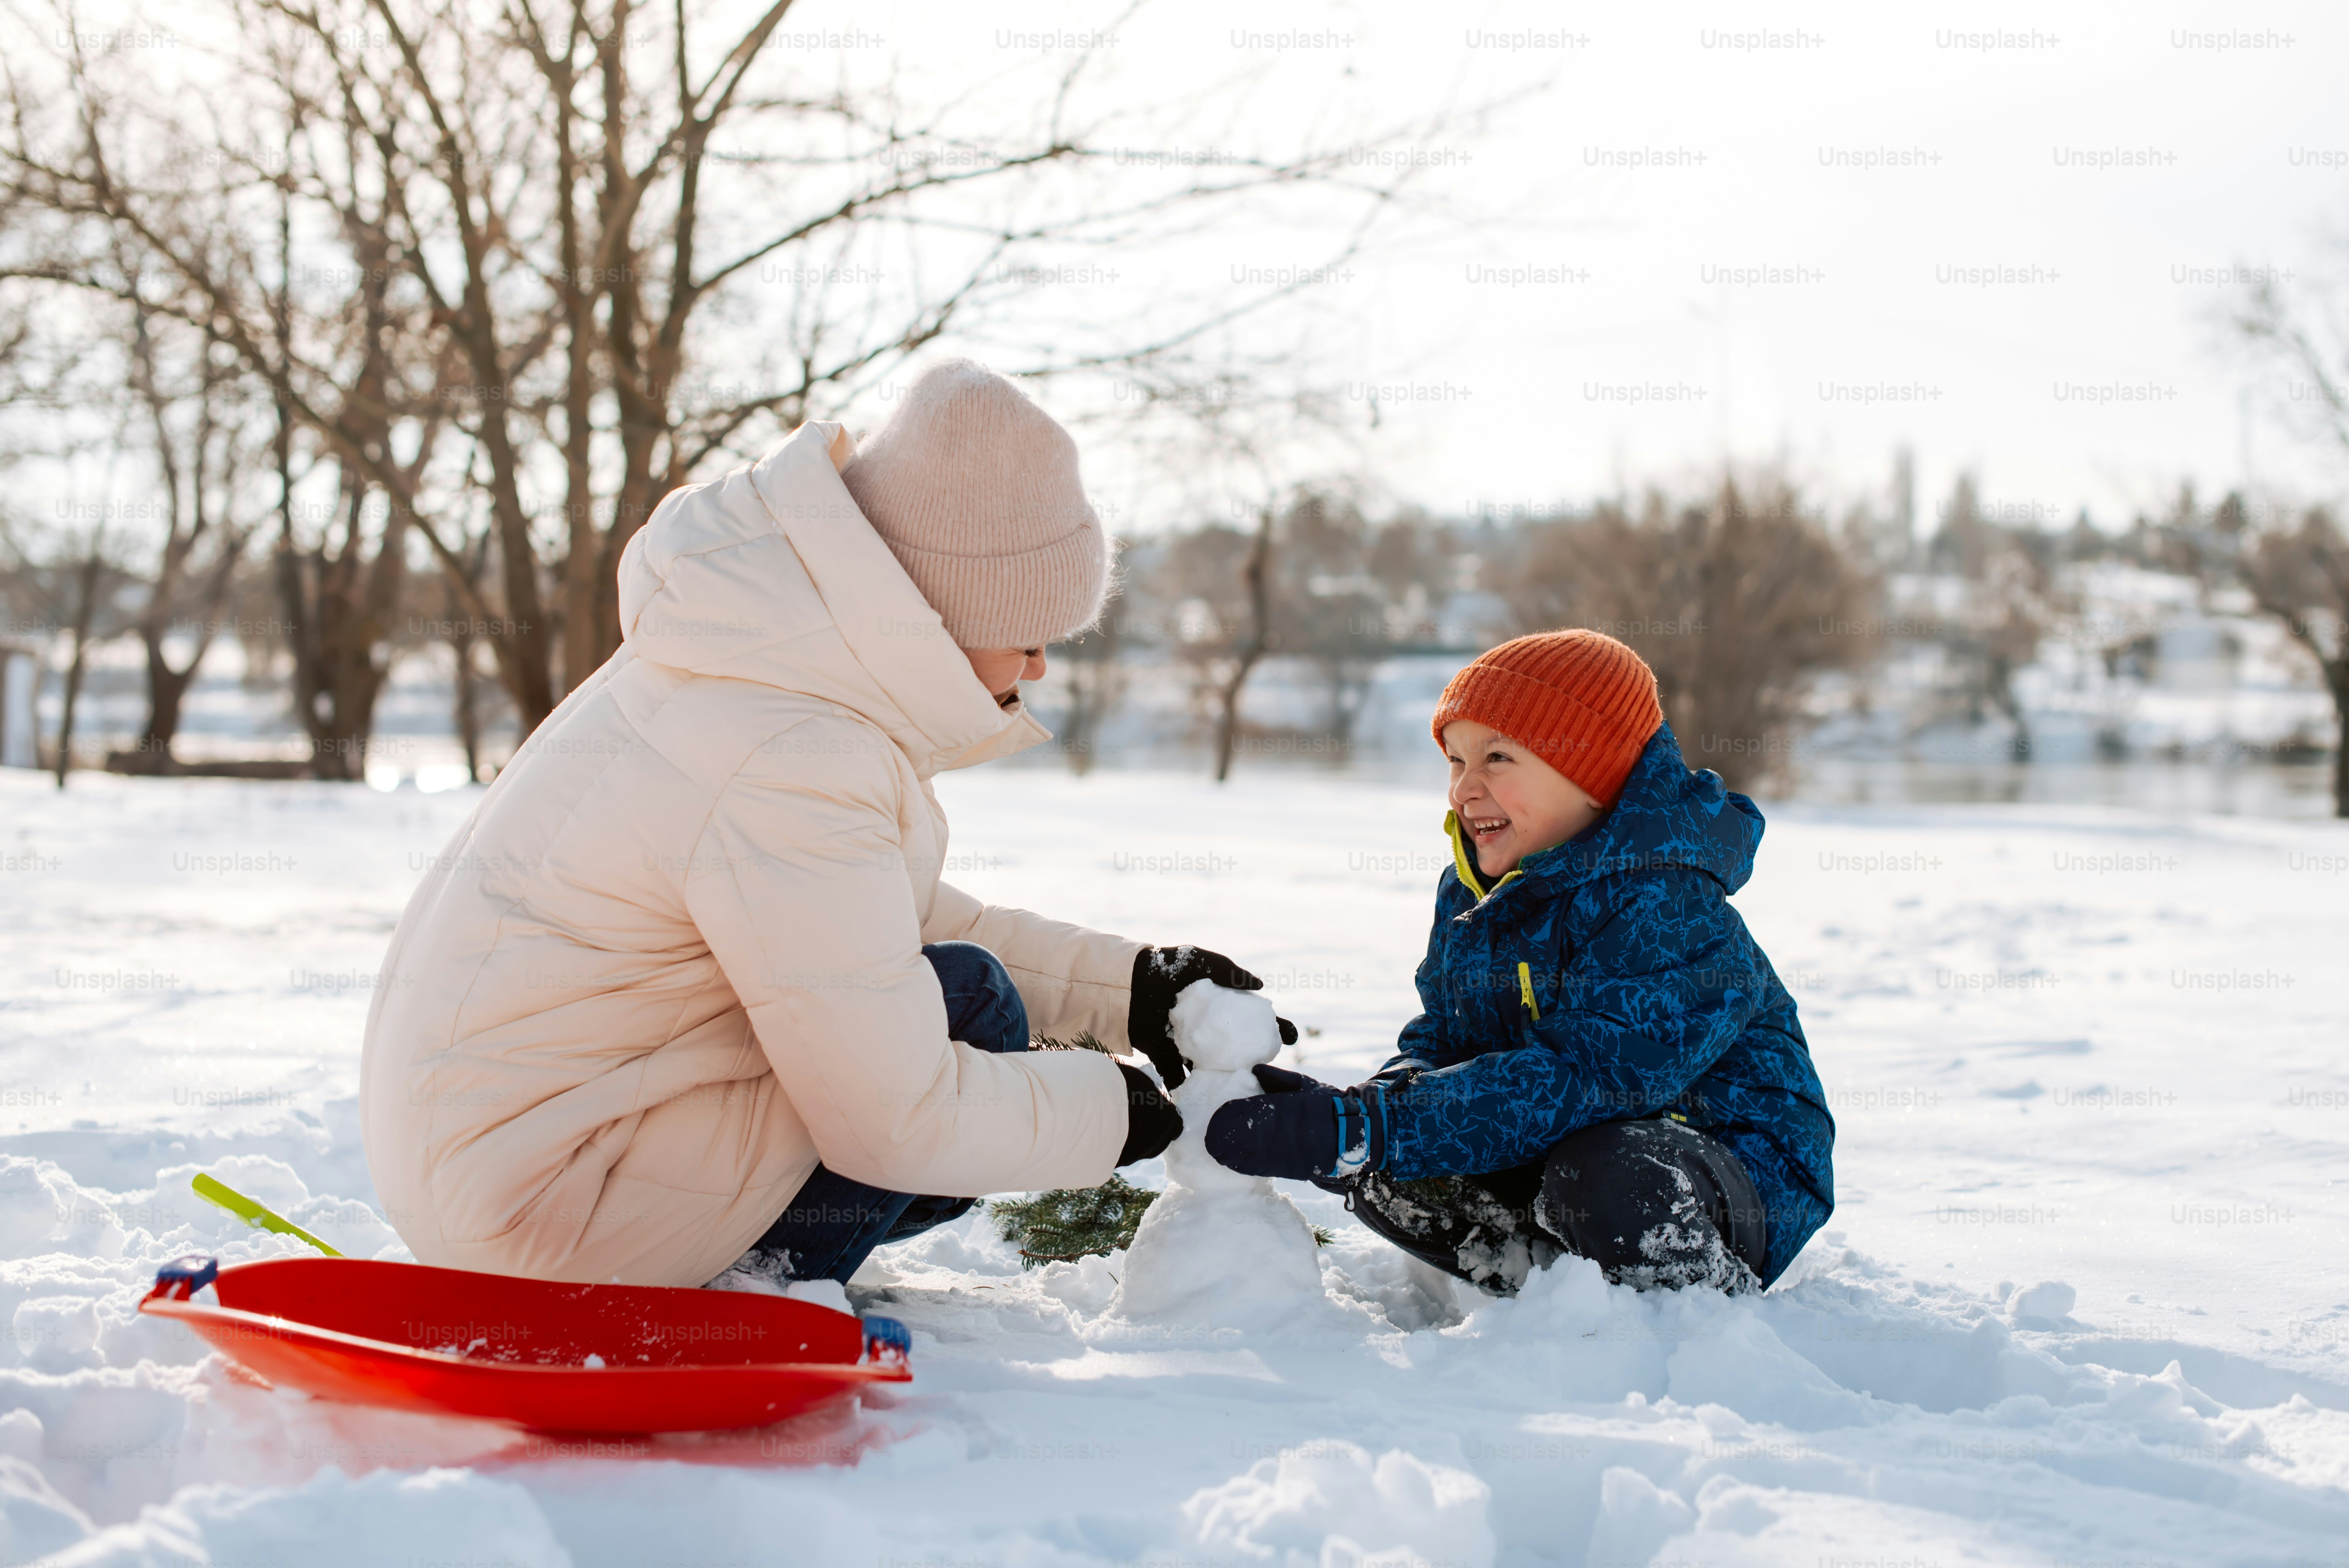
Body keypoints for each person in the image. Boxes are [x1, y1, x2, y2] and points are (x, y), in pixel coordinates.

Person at [360, 360, 1280, 1289]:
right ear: (944, 608)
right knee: (971, 1007)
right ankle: (752, 1278)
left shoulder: (751, 658)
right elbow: (897, 1116)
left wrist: (1129, 991)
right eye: (1030, 634)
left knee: (935, 998)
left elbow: (872, 925)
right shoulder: (793, 749)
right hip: (559, 1218)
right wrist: (1119, 1114)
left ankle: (731, 1244)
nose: (1037, 668)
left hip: (503, 1172)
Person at [1203, 630, 1834, 1294]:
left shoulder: (1665, 899)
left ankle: (1696, 1316)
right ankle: (1541, 1284)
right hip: (1563, 1151)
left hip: (1722, 1169)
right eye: (1454, 761)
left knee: (1604, 1171)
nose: (1463, 791)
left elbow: (1589, 1077)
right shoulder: (1477, 894)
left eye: (1497, 757)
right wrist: (1369, 1110)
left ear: (1596, 774)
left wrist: (1378, 1127)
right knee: (1386, 1168)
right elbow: (1447, 1039)